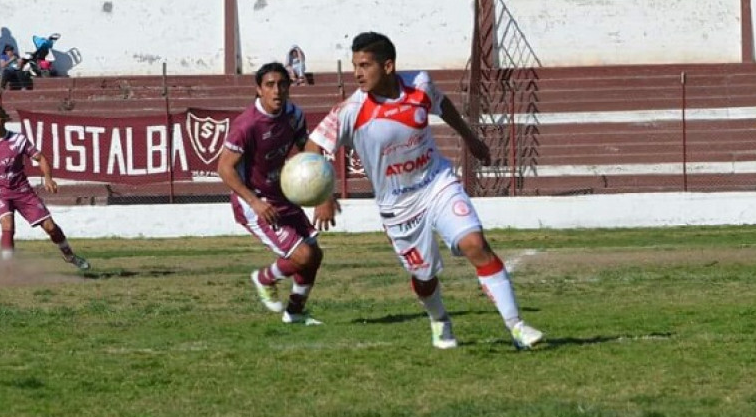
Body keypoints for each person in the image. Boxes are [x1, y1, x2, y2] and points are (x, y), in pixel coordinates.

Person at [306, 31, 544, 350]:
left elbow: (443, 105)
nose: (357, 73)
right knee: (424, 277)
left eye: (365, 65)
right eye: (355, 65)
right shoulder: (350, 110)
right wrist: (322, 194)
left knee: (475, 244)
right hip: (399, 207)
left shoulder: (418, 85)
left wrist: (470, 138)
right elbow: (313, 147)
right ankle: (439, 320)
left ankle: (516, 326)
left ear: (388, 66)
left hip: (437, 184)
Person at [216, 63, 325, 325]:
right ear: (258, 90)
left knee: (315, 256)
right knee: (303, 256)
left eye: (282, 85)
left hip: (282, 195)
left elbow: (307, 149)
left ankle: (295, 313)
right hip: (254, 202)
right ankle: (265, 278)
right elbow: (224, 168)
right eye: (270, 85)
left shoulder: (294, 115)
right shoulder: (247, 125)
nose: (277, 91)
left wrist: (324, 191)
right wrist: (255, 202)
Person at [0, 104, 91, 270]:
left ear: (4, 119)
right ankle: (8, 269)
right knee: (7, 225)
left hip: (22, 190)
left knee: (50, 227)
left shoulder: (18, 140)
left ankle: (69, 255)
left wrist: (48, 178)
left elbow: (41, 158)